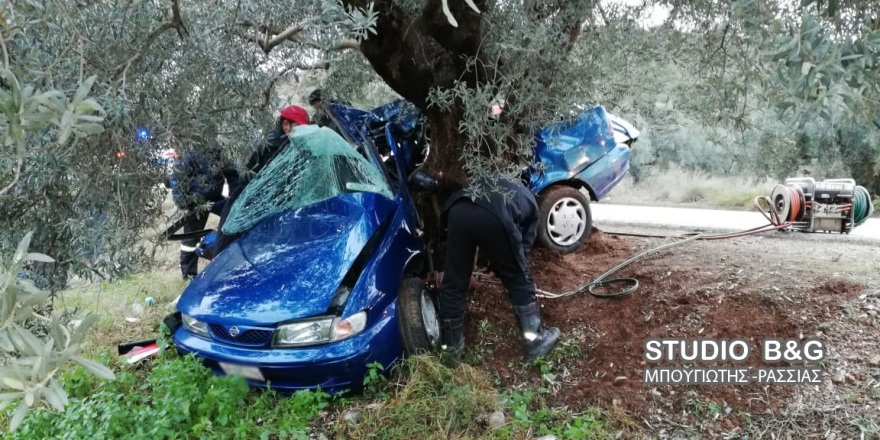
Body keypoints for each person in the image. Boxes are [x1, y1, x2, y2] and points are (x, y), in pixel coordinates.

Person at [437, 174, 560, 362]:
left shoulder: (497, 182)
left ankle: (451, 349)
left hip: (457, 211)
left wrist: (492, 263)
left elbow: (485, 234)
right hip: (494, 214)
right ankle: (535, 341)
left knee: (454, 283)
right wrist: (504, 268)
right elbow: (521, 248)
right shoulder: (531, 205)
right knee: (519, 278)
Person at [213, 105, 310, 253]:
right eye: (298, 127)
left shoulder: (281, 140)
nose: (303, 132)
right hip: (245, 201)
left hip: (249, 199)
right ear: (285, 125)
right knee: (227, 248)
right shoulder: (277, 144)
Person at [169, 142, 240, 280]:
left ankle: (231, 262)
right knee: (190, 240)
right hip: (195, 204)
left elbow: (232, 174)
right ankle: (189, 275)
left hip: (217, 199)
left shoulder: (218, 150)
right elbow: (177, 179)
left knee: (233, 223)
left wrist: (235, 196)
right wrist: (184, 205)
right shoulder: (188, 151)